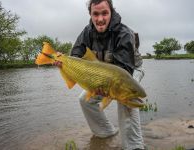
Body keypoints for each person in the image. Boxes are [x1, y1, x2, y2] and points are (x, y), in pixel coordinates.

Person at [55, 0, 145, 149]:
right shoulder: (87, 32)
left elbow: (122, 73)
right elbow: (76, 56)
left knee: (125, 99)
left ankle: (134, 146)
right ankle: (106, 133)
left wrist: (109, 91)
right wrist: (63, 62)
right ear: (90, 15)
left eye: (104, 13)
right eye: (95, 14)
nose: (100, 19)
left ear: (111, 12)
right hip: (103, 73)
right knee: (84, 100)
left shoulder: (124, 33)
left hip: (130, 70)